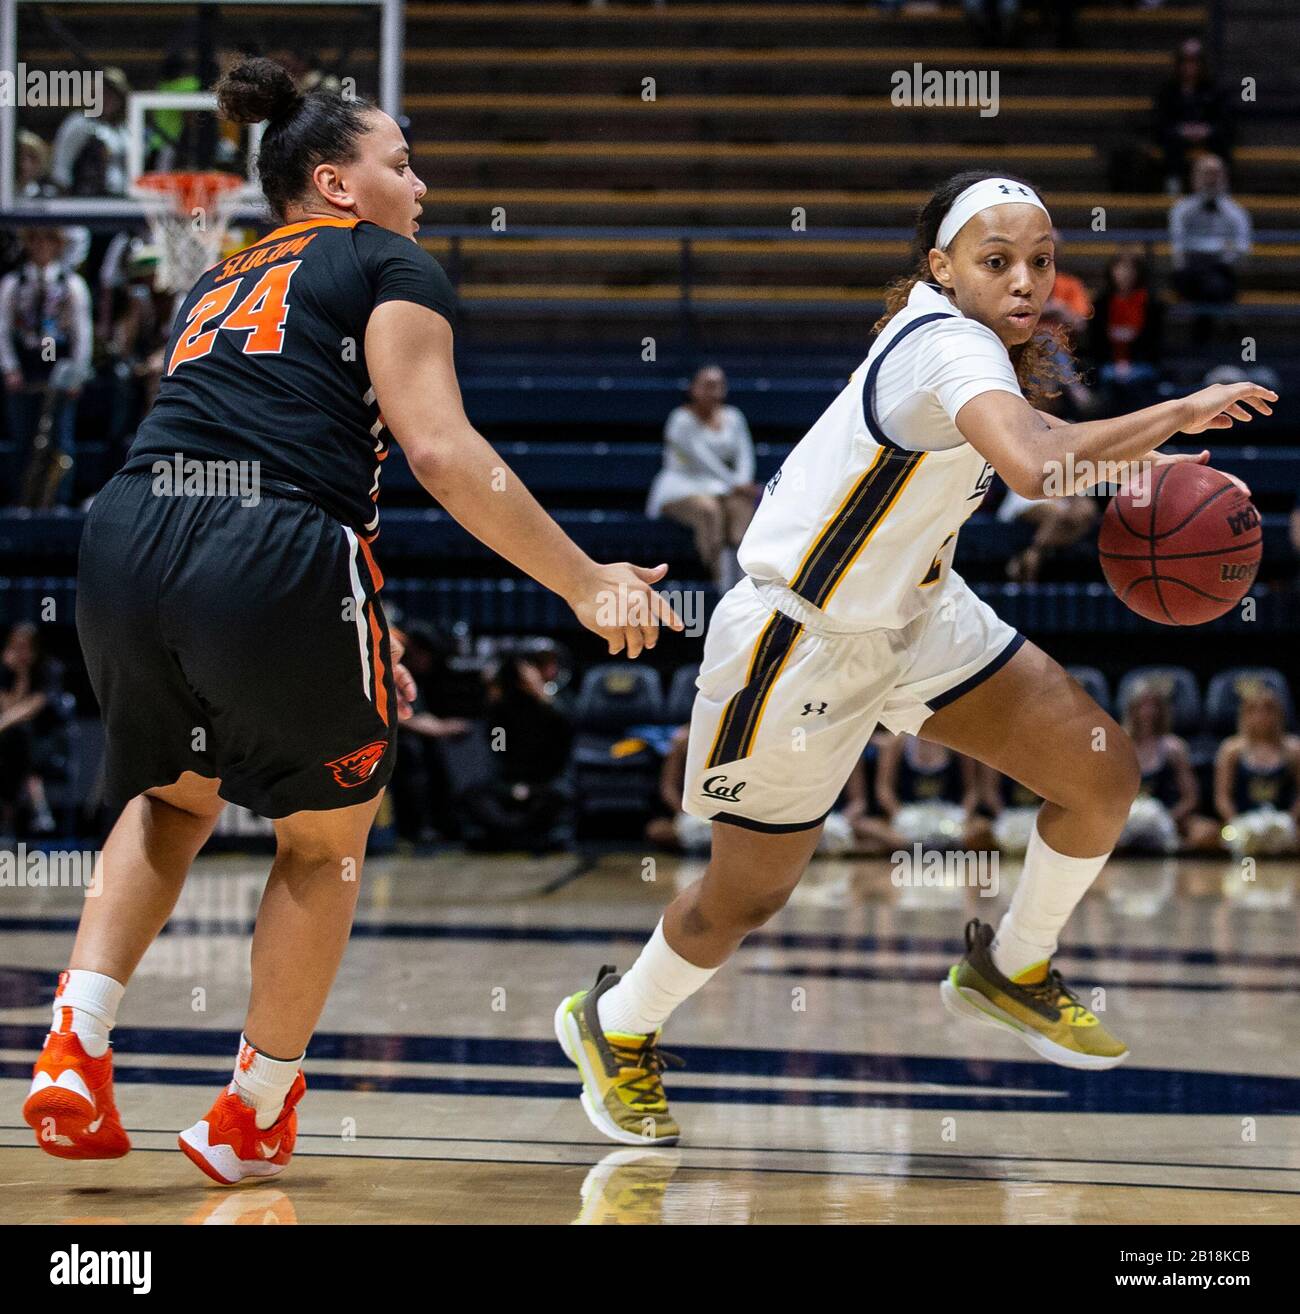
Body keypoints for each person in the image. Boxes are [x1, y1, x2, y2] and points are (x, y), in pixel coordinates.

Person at [20, 57, 682, 1183]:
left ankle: (74, 1045)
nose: (419, 186)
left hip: (126, 530)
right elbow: (437, 449)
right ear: (335, 184)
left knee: (172, 798)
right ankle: (255, 1106)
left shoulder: (215, 282)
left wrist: (348, 636)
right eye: (400, 162)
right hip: (267, 544)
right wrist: (584, 581)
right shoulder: (389, 259)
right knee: (324, 840)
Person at [553, 169, 1276, 1146]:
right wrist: (1174, 416)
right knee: (745, 897)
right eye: (997, 261)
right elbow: (1036, 464)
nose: (1026, 281)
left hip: (920, 615)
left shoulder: (980, 352)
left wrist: (1154, 471)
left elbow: (1042, 448)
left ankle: (1012, 966)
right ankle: (617, 1021)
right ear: (941, 268)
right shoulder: (942, 342)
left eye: (1042, 261)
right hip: (799, 639)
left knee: (1101, 772)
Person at [0, 227, 93, 506]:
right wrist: (9, 368)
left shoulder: (71, 284)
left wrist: (78, 373)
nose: (41, 246)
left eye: (47, 239)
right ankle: (24, 499)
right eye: (35, 239)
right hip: (26, 365)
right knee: (24, 441)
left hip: (58, 364)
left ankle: (58, 500)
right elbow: (2, 329)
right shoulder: (13, 283)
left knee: (60, 440)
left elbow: (82, 332)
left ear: (57, 245)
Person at [646, 365, 758, 591]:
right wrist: (736, 484)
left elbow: (745, 454)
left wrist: (743, 481)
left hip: (723, 487)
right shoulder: (680, 420)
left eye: (718, 385)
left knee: (741, 506)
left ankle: (745, 578)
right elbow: (702, 459)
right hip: (682, 487)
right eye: (707, 385)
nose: (713, 390)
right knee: (709, 511)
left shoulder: (734, 417)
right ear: (693, 389)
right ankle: (722, 583)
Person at [1117, 680, 1221, 854]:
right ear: (1132, 709)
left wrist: (1167, 818)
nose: (1148, 712)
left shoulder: (1174, 747)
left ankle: (1171, 848)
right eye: (1143, 706)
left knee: (1207, 833)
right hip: (1126, 820)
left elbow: (1190, 798)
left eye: (1154, 706)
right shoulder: (1118, 745)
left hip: (1168, 817)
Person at [1169, 153, 1251, 343]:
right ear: (1194, 177)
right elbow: (1178, 251)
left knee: (1214, 284)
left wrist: (1221, 259)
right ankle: (1230, 331)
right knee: (1208, 284)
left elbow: (1243, 251)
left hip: (1221, 271)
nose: (1211, 179)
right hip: (1189, 273)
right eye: (1206, 173)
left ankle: (1201, 341)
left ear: (1224, 177)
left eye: (1215, 173)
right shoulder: (1181, 210)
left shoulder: (1236, 212)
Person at [1213, 686, 1300, 859]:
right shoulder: (1231, 750)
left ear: (1279, 715)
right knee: (1210, 835)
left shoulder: (1294, 749)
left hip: (1282, 822)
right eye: (1254, 711)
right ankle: (1245, 871)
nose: (1262, 717)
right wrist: (1236, 822)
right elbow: (1222, 797)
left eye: (1268, 710)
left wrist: (1291, 819)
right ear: (1244, 715)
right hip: (1243, 822)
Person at [0, 622, 61, 836]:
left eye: (25, 646)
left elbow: (33, 707)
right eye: (15, 646)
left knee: (24, 746)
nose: (20, 652)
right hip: (12, 738)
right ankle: (24, 811)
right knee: (12, 744)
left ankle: (33, 809)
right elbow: (8, 706)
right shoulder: (6, 672)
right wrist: (19, 674)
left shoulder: (48, 668)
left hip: (45, 735)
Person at [1086, 250, 1165, 415]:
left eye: (1130, 270)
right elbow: (1096, 341)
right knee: (1109, 379)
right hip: (1108, 363)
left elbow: (1153, 341)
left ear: (1138, 273)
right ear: (1112, 272)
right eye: (1120, 269)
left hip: (1142, 363)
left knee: (1137, 382)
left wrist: (1129, 362)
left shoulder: (1151, 302)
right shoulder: (1101, 302)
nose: (1124, 274)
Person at [1153, 38, 1234, 193]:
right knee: (1170, 142)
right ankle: (1173, 186)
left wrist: (1207, 130)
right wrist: (1181, 130)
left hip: (1208, 136)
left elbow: (1225, 120)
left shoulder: (1214, 89)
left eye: (1195, 61)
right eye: (1186, 61)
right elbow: (1159, 121)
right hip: (1177, 137)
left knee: (1223, 142)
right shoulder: (1167, 91)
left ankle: (1223, 188)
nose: (1190, 66)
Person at [50, 67, 131, 196]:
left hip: (122, 201)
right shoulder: (79, 123)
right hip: (88, 202)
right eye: (102, 93)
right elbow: (61, 168)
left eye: (113, 94)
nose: (108, 99)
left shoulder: (126, 130)